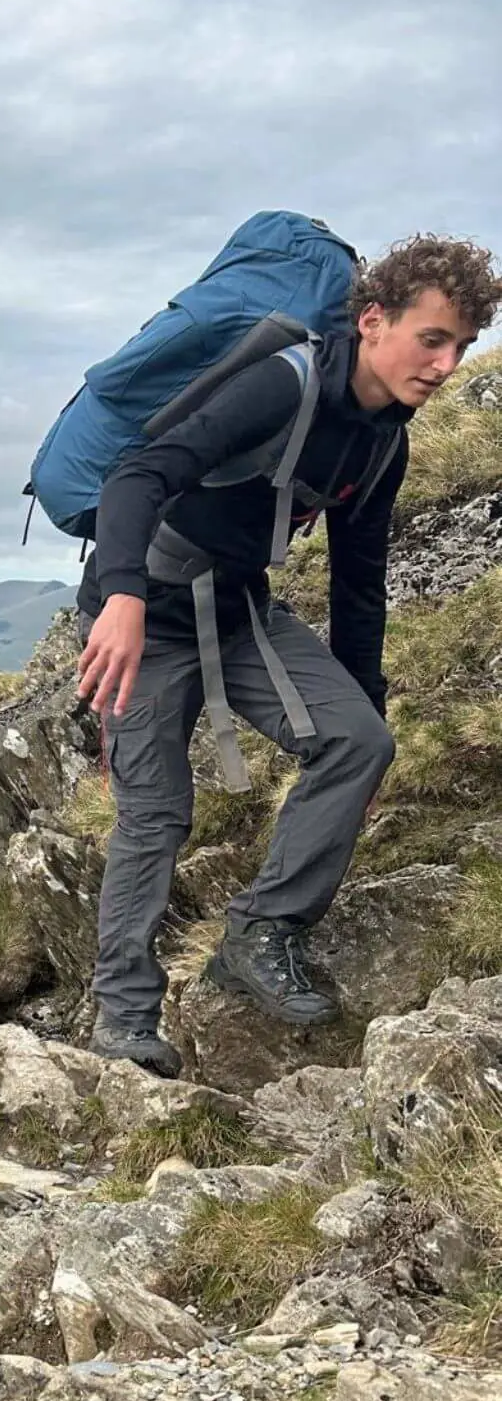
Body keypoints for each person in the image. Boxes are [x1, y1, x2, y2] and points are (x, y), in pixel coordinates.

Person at [76, 234, 502, 1075]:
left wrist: (362, 718)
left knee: (361, 743)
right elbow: (136, 477)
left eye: (463, 346)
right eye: (433, 338)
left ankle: (263, 928)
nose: (447, 364)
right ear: (374, 321)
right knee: (155, 814)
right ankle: (124, 1018)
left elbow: (360, 587)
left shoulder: (385, 440)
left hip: (239, 614)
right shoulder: (284, 383)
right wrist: (120, 595)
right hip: (146, 617)